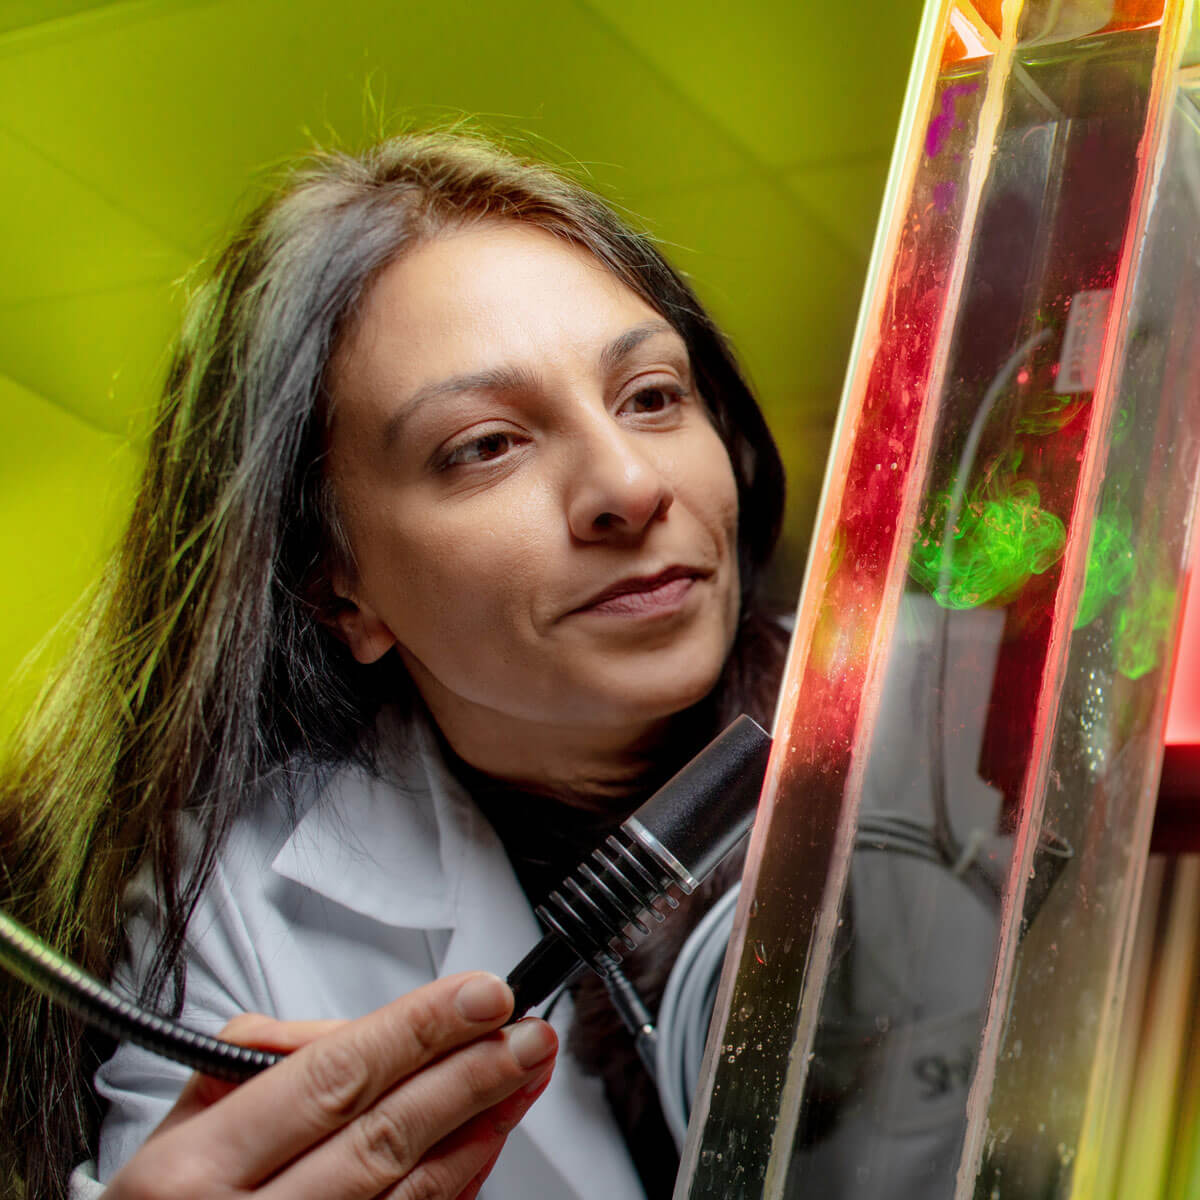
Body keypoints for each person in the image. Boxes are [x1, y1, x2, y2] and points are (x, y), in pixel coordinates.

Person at [0, 126, 787, 1199]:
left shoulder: (954, 728)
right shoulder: (239, 908)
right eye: (485, 445)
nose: (630, 483)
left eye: (651, 396)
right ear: (338, 589)